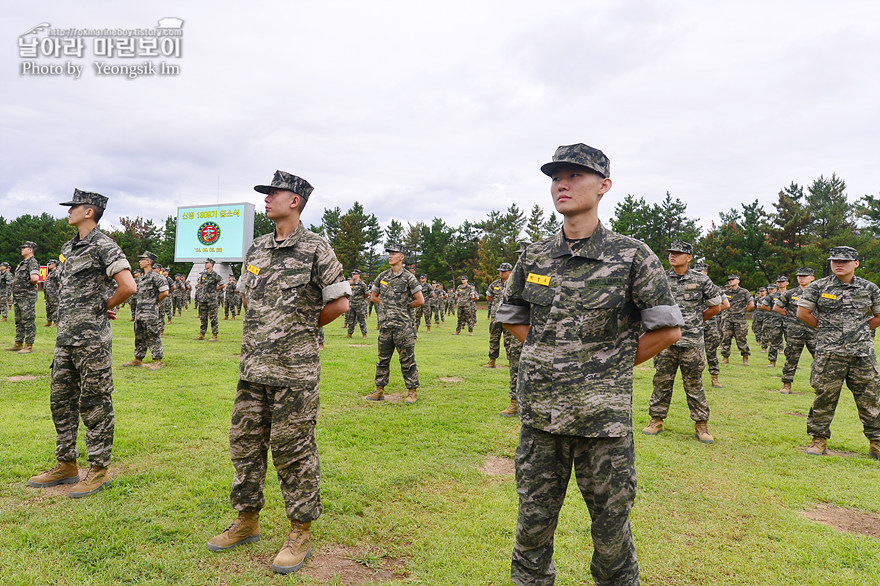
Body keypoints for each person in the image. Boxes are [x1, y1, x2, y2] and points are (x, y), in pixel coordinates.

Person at [496, 143, 683, 586]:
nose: (562, 183)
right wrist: (553, 353)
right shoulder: (536, 256)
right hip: (542, 417)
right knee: (533, 524)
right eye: (556, 176)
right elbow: (511, 315)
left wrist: (606, 366)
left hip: (603, 424)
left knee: (611, 530)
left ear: (604, 186)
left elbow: (667, 330)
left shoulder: (633, 255)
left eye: (575, 175)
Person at [207, 170, 350, 575]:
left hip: (294, 371)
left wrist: (299, 329)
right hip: (253, 368)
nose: (267, 199)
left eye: (275, 193)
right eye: (266, 194)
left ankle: (299, 530)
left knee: (293, 450)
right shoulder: (256, 249)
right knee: (245, 445)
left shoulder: (317, 249)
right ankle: (247, 519)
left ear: (296, 201)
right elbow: (250, 301)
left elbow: (339, 305)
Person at [27, 189, 136, 498]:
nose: (69, 211)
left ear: (89, 211)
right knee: (60, 401)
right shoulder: (69, 248)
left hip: (91, 341)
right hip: (66, 339)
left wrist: (104, 305)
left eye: (73, 207)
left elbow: (128, 285)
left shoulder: (105, 245)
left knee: (95, 403)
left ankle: (99, 469)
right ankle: (66, 464)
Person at [797, 246, 880, 459]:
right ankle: (818, 440)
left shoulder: (869, 288)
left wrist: (859, 331)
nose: (839, 265)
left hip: (861, 354)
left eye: (844, 261)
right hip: (829, 353)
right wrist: (828, 331)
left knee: (870, 398)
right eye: (835, 261)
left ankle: (876, 442)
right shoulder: (818, 287)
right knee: (824, 397)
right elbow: (803, 312)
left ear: (856, 263)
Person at [643, 241, 723, 443]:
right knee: (662, 381)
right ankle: (656, 420)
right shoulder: (660, 278)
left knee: (694, 384)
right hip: (664, 342)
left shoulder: (701, 280)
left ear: (689, 257)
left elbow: (719, 305)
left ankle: (701, 425)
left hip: (692, 342)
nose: (673, 256)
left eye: (678, 253)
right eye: (671, 253)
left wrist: (696, 321)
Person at [364, 243, 424, 403]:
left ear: (401, 257)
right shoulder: (383, 276)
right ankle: (379, 390)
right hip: (385, 326)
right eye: (389, 253)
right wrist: (384, 305)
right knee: (383, 359)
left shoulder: (408, 277)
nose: (390, 255)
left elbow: (420, 300)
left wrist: (403, 307)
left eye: (394, 253)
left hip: (403, 327)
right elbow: (373, 296)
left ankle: (412, 391)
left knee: (407, 360)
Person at [775, 268, 818, 393]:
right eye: (799, 276)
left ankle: (818, 384)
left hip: (813, 331)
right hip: (794, 331)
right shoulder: (791, 294)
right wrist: (791, 317)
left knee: (819, 358)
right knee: (791, 357)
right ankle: (786, 384)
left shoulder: (818, 293)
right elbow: (777, 307)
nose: (801, 278)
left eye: (805, 276)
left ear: (812, 278)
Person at [124, 252, 168, 369]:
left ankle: (157, 360)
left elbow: (165, 292)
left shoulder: (157, 277)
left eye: (142, 259)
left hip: (150, 312)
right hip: (140, 312)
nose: (140, 261)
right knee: (139, 336)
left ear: (148, 262)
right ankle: (138, 359)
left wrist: (153, 302)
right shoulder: (141, 278)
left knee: (153, 335)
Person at [5, 241, 40, 353]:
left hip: (26, 297)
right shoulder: (22, 263)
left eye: (24, 248)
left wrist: (28, 286)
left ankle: (28, 345)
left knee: (28, 320)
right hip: (19, 296)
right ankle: (18, 343)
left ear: (30, 250)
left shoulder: (32, 262)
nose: (22, 249)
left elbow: (34, 278)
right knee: (19, 320)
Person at [720, 274, 754, 366]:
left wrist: (742, 311)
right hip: (728, 319)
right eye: (729, 280)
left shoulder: (744, 292)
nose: (731, 281)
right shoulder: (726, 293)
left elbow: (751, 304)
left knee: (741, 339)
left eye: (733, 280)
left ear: (738, 281)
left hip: (740, 320)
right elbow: (721, 304)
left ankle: (745, 358)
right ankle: (725, 357)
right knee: (726, 338)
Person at [484, 262, 513, 369]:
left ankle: (511, 361)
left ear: (510, 272)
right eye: (500, 271)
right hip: (496, 316)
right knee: (494, 338)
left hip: (509, 316)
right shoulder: (495, 284)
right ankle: (492, 360)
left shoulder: (514, 283)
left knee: (509, 340)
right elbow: (489, 297)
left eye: (504, 271)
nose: (501, 273)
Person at [760, 276, 788, 367]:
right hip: (775, 321)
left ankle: (791, 362)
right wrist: (773, 310)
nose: (781, 283)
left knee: (791, 343)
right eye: (779, 282)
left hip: (789, 322)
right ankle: (772, 361)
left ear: (787, 283)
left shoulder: (791, 294)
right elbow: (763, 305)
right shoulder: (772, 296)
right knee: (774, 342)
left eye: (783, 282)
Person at [194, 258, 224, 341]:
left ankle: (215, 335)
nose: (205, 264)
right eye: (205, 263)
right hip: (203, 299)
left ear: (211, 264)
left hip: (212, 299)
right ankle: (202, 334)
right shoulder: (203, 275)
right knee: (203, 317)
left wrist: (215, 289)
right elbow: (200, 283)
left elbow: (222, 284)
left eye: (207, 263)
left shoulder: (215, 275)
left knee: (213, 317)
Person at [347, 270, 369, 338]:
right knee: (351, 320)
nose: (353, 276)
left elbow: (367, 294)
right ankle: (349, 334)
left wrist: (361, 300)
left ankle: (364, 334)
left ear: (358, 275)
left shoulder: (362, 284)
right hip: (352, 304)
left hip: (359, 305)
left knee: (361, 320)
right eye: (353, 274)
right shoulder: (351, 284)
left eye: (355, 274)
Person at [752, 286, 768, 351]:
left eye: (763, 291)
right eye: (760, 291)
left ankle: (767, 341)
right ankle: (758, 341)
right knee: (757, 329)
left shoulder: (768, 298)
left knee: (766, 330)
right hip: (758, 316)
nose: (761, 293)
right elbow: (753, 305)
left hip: (765, 316)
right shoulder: (757, 299)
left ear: (765, 292)